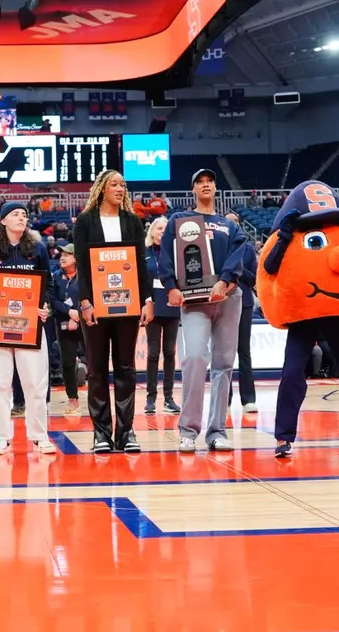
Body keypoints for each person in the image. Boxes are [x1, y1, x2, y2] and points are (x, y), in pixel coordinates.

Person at [260, 181, 339, 458]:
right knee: (292, 373)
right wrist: (283, 236)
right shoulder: (293, 233)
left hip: (337, 309)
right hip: (306, 309)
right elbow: (269, 267)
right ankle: (283, 437)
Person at [159, 168, 255, 453]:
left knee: (224, 365)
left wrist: (225, 281)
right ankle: (188, 430)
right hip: (194, 302)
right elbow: (166, 252)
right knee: (195, 358)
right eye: (199, 182)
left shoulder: (230, 226)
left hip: (228, 297)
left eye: (209, 181)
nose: (205, 185)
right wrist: (170, 286)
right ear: (193, 190)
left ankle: (217, 431)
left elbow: (238, 256)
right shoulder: (180, 220)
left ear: (215, 188)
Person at [72, 171, 153, 454]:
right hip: (94, 306)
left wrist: (147, 300)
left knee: (126, 368)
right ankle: (101, 433)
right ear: (102, 189)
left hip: (128, 305)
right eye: (114, 185)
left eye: (123, 185)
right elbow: (82, 265)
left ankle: (126, 431)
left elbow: (141, 267)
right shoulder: (85, 222)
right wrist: (85, 302)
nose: (120, 189)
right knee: (96, 369)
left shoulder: (133, 221)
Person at [0, 202, 57, 455]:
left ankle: (40, 435)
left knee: (36, 383)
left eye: (24, 215)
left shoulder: (38, 249)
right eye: (15, 215)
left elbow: (49, 285)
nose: (21, 218)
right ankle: (0, 436)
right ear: (3, 221)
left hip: (31, 324)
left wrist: (45, 307)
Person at [143, 216, 181, 414]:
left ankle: (168, 398)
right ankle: (150, 399)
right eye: (159, 228)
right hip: (153, 305)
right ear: (152, 231)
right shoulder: (145, 253)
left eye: (165, 228)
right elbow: (142, 280)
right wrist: (146, 300)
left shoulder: (175, 252)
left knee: (170, 352)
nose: (161, 231)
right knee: (152, 353)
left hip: (171, 305)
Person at [51, 244, 84, 413]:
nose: (62, 258)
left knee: (93, 361)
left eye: (67, 255)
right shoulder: (55, 277)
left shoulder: (86, 276)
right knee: (67, 362)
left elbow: (90, 296)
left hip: (85, 322)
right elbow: (52, 300)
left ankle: (97, 397)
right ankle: (73, 399)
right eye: (61, 255)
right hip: (63, 323)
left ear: (76, 258)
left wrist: (77, 315)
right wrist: (69, 312)